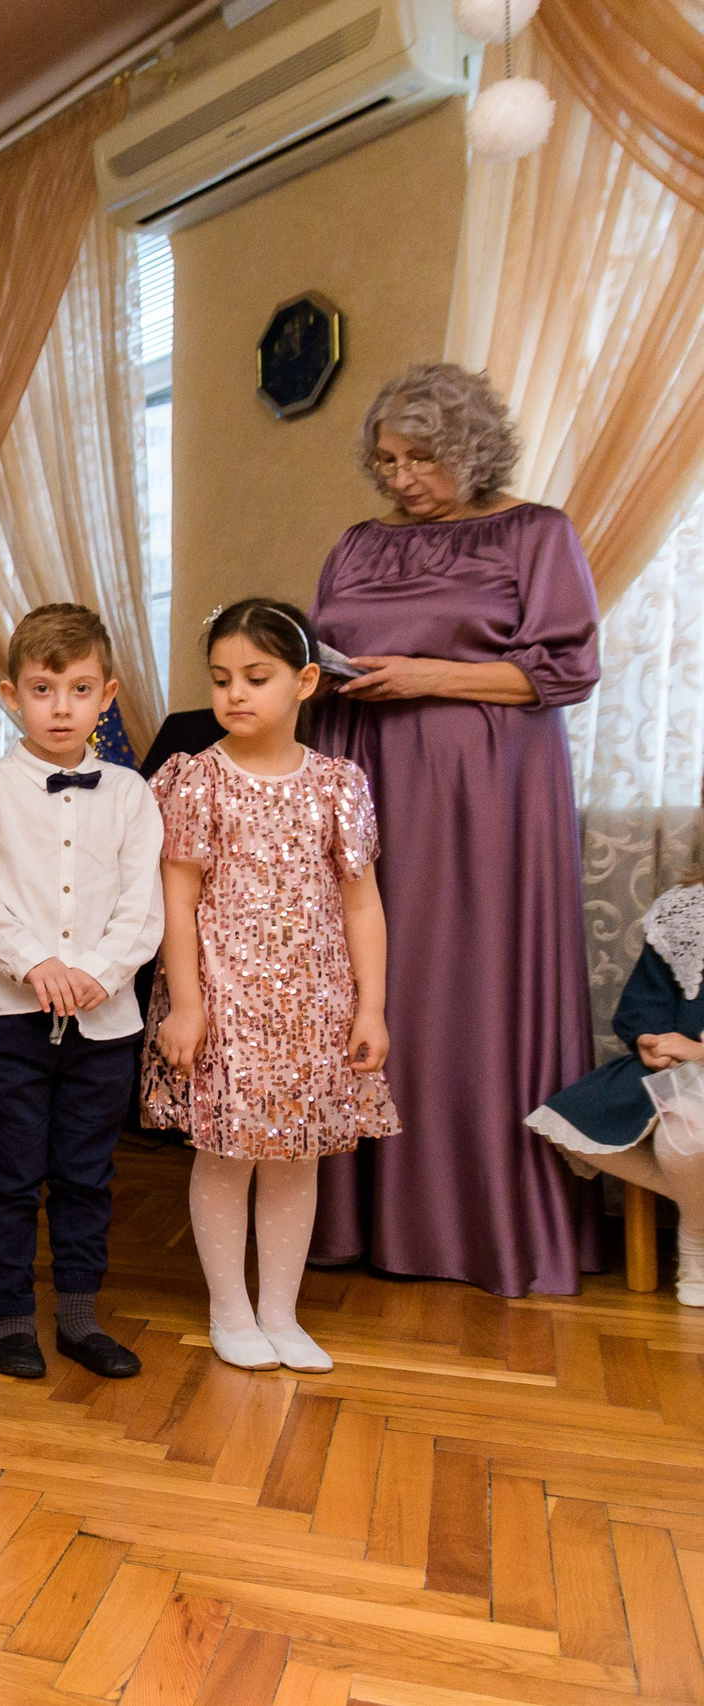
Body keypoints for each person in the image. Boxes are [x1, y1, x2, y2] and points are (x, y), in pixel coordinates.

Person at [308, 363, 603, 1296]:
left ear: (473, 452)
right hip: (368, 775)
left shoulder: (536, 532)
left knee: (464, 985)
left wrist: (428, 676)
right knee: (370, 977)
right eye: (387, 459)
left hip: (487, 795)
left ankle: (478, 1228)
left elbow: (566, 671)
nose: (401, 478)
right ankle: (359, 1219)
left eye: (422, 459)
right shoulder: (357, 543)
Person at [144, 600, 398, 1373]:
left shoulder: (336, 784)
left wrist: (371, 1006)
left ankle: (282, 1314)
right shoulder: (196, 780)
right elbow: (177, 899)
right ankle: (231, 1309)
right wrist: (187, 1005)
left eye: (257, 677)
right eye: (221, 679)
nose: (235, 695)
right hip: (225, 1002)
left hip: (313, 1004)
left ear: (306, 681)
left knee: (298, 1156)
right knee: (227, 1154)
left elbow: (362, 901)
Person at [0, 604, 164, 1382]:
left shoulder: (134, 795)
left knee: (85, 1173)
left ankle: (78, 1318)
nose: (61, 707)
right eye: (44, 689)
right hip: (11, 1020)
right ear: (12, 694)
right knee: (10, 1175)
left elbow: (144, 906)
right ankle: (10, 1320)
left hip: (106, 1025)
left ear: (108, 693)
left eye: (79, 689)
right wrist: (37, 965)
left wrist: (98, 975)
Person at [529, 855, 704, 1303]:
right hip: (687, 1075)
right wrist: (648, 1035)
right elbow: (645, 999)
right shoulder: (686, 912)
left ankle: (695, 1247)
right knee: (677, 1135)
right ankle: (699, 1227)